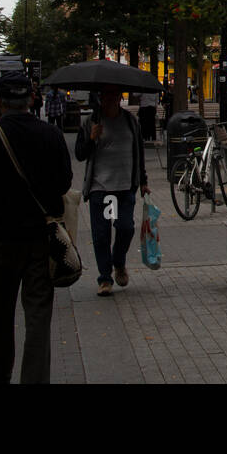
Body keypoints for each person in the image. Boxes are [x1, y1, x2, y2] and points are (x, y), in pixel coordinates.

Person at [0, 73, 72, 383]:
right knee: (38, 317)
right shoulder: (51, 135)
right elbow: (64, 182)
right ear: (32, 100)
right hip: (41, 240)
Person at [74, 85, 150, 297]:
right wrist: (91, 138)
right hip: (101, 188)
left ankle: (119, 262)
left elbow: (139, 151)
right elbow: (80, 154)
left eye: (114, 95)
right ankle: (105, 278)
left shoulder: (130, 121)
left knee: (125, 228)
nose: (110, 99)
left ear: (119, 97)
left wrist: (143, 180)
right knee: (101, 235)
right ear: (100, 97)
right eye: (106, 95)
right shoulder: (91, 122)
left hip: (126, 187)